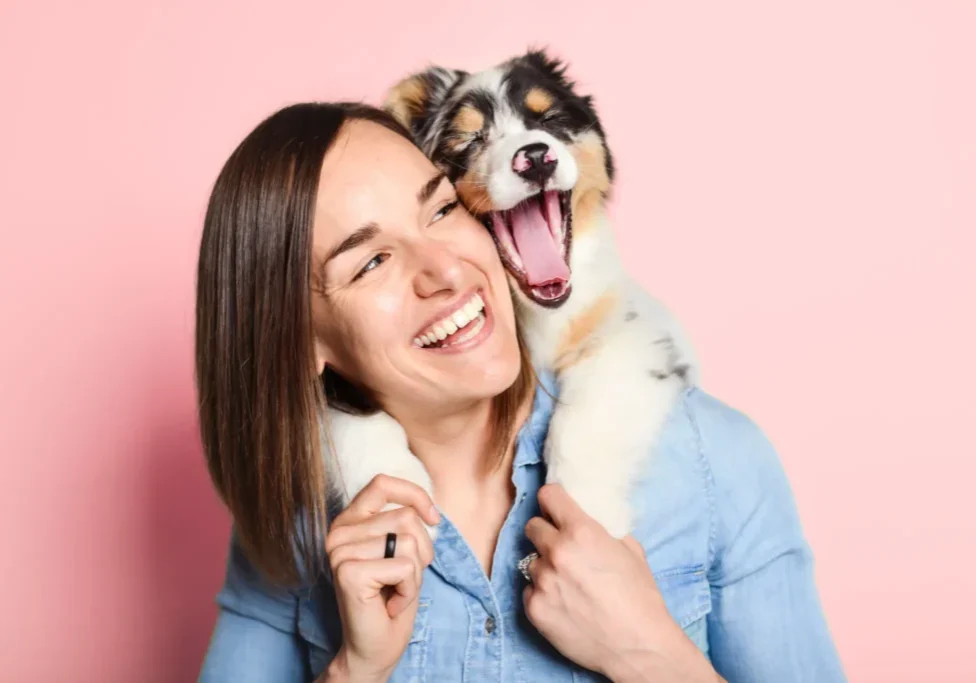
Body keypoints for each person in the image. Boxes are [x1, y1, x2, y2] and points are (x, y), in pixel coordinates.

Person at [195, 101, 846, 682]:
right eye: (372, 261)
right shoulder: (294, 517)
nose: (447, 270)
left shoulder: (713, 459)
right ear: (298, 341)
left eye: (443, 208)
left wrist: (648, 654)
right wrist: (359, 668)